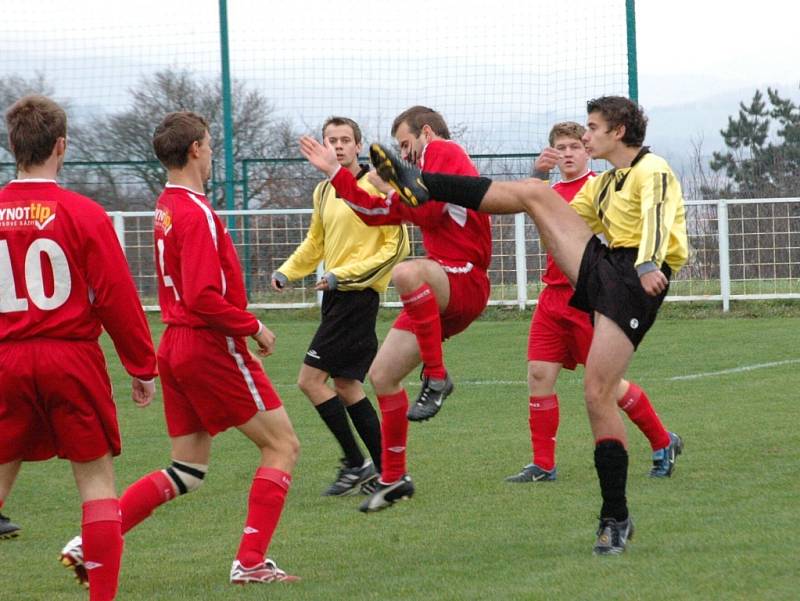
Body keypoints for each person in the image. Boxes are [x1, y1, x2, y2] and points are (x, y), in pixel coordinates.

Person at [369, 95, 688, 554]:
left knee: (598, 393)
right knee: (537, 195)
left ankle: (615, 516)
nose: (585, 135)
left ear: (618, 131)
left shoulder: (651, 170)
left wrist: (649, 265)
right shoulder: (609, 182)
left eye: (592, 128)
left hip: (634, 280)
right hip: (605, 267)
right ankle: (424, 184)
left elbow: (658, 218)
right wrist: (534, 197)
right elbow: (564, 218)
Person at [60, 111, 300, 586]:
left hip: (175, 345)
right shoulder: (195, 212)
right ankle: (251, 562)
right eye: (209, 144)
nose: (212, 152)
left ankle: (91, 542)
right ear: (194, 149)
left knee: (187, 468)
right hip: (208, 344)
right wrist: (254, 326)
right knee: (283, 446)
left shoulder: (167, 205)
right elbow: (202, 296)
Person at [0, 95, 158, 601]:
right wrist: (141, 364)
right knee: (96, 485)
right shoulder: (84, 214)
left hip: (6, 359)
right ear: (62, 146)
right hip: (70, 358)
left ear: (12, 146)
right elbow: (115, 296)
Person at [299, 106, 492, 512]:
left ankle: (437, 378)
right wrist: (339, 176)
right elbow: (374, 214)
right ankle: (395, 477)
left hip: (465, 279)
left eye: (406, 145)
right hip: (440, 287)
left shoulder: (445, 150)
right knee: (382, 376)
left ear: (425, 133)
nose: (405, 155)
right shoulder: (414, 179)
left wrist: (388, 184)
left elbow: (429, 207)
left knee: (407, 273)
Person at [505, 121, 682, 484]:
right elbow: (525, 205)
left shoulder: (600, 188)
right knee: (539, 375)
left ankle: (663, 440)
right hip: (552, 297)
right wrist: (536, 173)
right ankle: (543, 464)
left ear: (588, 151)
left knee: (607, 386)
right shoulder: (549, 191)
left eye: (574, 146)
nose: (567, 153)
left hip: (590, 297)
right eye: (560, 147)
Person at [272, 116, 409, 496]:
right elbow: (315, 242)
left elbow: (395, 248)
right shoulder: (324, 191)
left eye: (345, 140)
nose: (337, 146)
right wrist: (287, 272)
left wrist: (343, 275)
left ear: (358, 145)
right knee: (347, 385)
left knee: (309, 380)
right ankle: (388, 470)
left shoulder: (377, 186)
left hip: (359, 296)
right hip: (335, 297)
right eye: (330, 140)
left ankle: (356, 462)